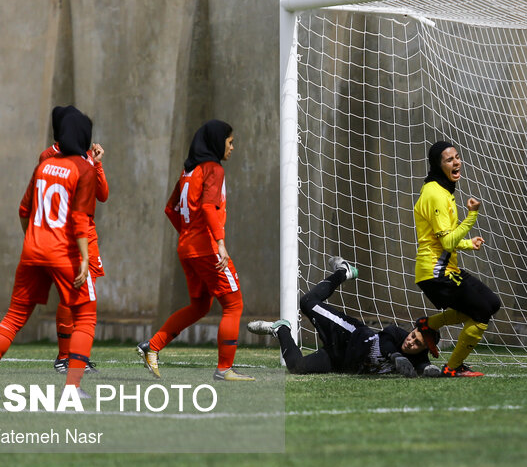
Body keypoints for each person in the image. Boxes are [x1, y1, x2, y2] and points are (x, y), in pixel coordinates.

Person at [0, 109, 100, 399]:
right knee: (86, 316)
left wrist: (33, 239)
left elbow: (24, 211)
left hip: (32, 250)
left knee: (13, 317)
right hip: (64, 253)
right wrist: (85, 258)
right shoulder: (84, 168)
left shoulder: (44, 166)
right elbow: (79, 221)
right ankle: (72, 388)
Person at [137, 119, 252, 381]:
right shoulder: (213, 169)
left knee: (200, 305)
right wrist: (220, 243)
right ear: (216, 142)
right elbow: (209, 208)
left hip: (187, 248)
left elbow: (171, 209)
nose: (233, 147)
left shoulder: (188, 171)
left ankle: (152, 346)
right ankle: (224, 369)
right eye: (230, 142)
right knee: (233, 304)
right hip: (207, 248)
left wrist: (189, 234)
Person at [247, 257, 440, 377]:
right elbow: (387, 337)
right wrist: (396, 355)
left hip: (341, 359)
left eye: (417, 343)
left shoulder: (418, 359)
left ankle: (281, 329)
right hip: (349, 334)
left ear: (424, 349)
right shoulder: (397, 336)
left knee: (297, 367)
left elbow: (426, 366)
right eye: (414, 335)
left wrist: (431, 371)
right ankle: (343, 271)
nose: (411, 341)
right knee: (307, 302)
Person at [413, 140, 501, 377]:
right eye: (449, 159)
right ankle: (453, 368)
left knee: (492, 303)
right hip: (435, 272)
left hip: (445, 269)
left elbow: (445, 239)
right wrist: (472, 216)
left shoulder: (442, 191)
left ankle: (429, 325)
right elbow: (447, 242)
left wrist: (468, 244)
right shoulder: (435, 195)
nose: (456, 162)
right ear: (437, 165)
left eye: (457, 157)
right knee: (481, 312)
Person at [41, 105, 109, 375]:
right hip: (71, 233)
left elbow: (102, 194)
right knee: (76, 297)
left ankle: (72, 357)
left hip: (84, 233)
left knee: (80, 294)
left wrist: (97, 163)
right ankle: (67, 357)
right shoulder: (54, 157)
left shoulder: (82, 157)